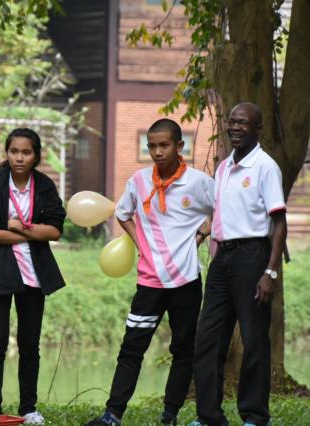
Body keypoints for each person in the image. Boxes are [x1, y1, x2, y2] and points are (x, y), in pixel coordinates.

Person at [86, 119, 214, 426]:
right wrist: (142, 244)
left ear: (179, 146)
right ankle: (112, 414)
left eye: (164, 145)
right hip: (149, 283)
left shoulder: (199, 183)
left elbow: (222, 212)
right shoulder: (139, 180)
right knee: (132, 347)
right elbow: (122, 213)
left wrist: (199, 236)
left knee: (183, 349)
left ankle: (169, 414)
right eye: (152, 146)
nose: (157, 152)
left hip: (186, 281)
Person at [189, 103, 287, 426]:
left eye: (242, 123)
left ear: (258, 129)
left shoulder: (265, 167)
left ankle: (255, 416)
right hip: (222, 259)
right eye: (231, 121)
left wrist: (270, 272)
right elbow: (221, 214)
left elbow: (279, 223)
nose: (234, 127)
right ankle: (209, 417)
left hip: (252, 257)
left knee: (254, 339)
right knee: (208, 337)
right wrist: (201, 236)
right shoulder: (223, 168)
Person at [0, 128, 66, 425]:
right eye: (14, 152)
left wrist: (16, 226)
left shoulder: (45, 186)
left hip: (34, 275)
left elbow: (55, 230)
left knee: (29, 344)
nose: (19, 158)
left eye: (26, 152)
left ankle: (28, 408)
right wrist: (32, 232)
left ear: (36, 156)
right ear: (7, 153)